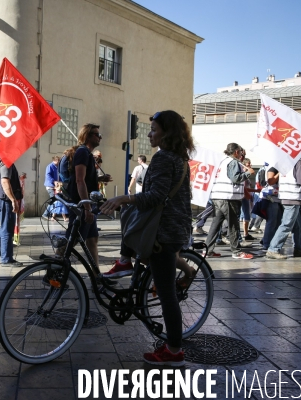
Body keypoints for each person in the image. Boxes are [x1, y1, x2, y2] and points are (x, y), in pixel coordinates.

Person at [100, 110, 194, 366]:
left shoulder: (164, 158)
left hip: (162, 231)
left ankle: (173, 351)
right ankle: (129, 262)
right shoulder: (179, 158)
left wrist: (123, 198)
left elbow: (155, 196)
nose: (150, 133)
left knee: (166, 295)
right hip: (175, 228)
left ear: (167, 132)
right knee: (161, 284)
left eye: (153, 129)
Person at [63, 123, 112, 269]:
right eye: (97, 134)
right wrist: (86, 208)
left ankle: (97, 275)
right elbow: (79, 180)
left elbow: (85, 178)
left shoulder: (87, 154)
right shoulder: (82, 153)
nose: (100, 137)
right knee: (71, 240)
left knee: (92, 239)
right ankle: (53, 270)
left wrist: (99, 179)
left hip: (88, 204)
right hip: (82, 206)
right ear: (88, 136)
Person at [203, 143, 254, 259]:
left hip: (217, 196)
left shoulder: (222, 161)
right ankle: (236, 251)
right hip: (228, 198)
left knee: (215, 225)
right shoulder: (233, 162)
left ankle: (208, 250)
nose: (241, 155)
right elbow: (235, 178)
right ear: (236, 152)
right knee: (233, 224)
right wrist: (247, 173)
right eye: (241, 152)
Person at [265, 158, 301, 259]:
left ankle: (299, 248)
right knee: (286, 224)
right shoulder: (298, 163)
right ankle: (273, 249)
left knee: (298, 225)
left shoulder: (285, 161)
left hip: (286, 195)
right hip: (293, 197)